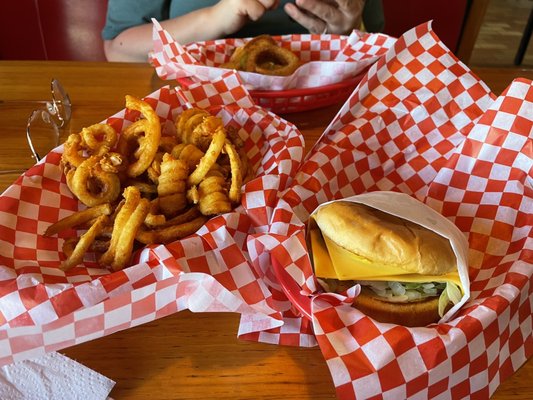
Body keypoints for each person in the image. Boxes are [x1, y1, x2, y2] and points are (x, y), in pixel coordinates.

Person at [102, 0, 384, 62]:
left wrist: (347, 31)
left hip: (323, 117)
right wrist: (216, 18)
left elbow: (375, 44)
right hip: (192, 106)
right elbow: (118, 48)